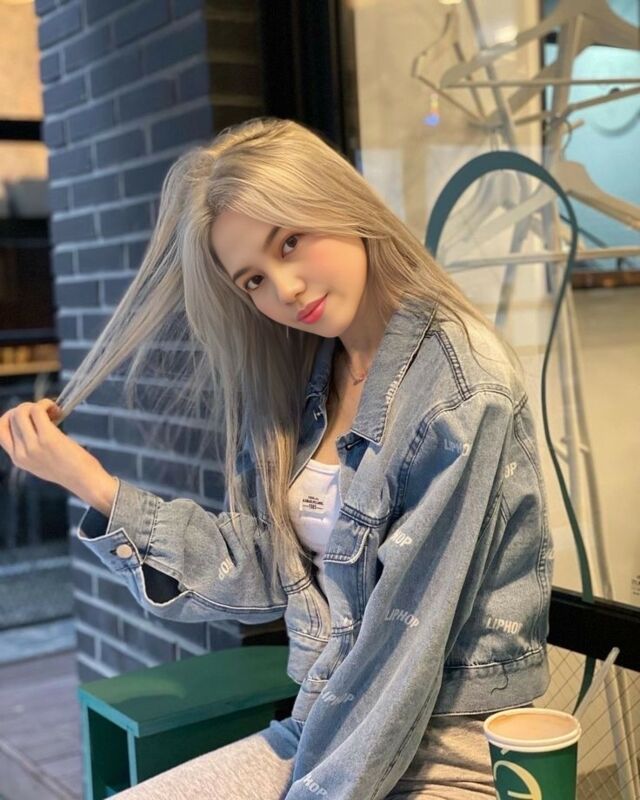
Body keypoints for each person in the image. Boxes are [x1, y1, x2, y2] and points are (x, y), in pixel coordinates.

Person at [0, 117, 553, 799]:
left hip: (451, 745)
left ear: (340, 203)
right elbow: (258, 568)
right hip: (325, 723)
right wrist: (87, 481)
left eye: (290, 241)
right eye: (254, 279)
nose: (284, 289)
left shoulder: (461, 388)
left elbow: (405, 649)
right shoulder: (312, 377)